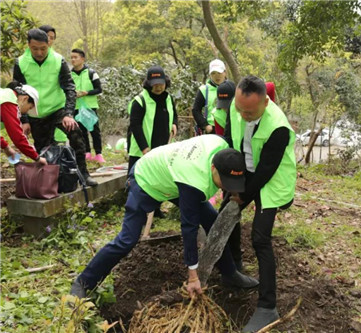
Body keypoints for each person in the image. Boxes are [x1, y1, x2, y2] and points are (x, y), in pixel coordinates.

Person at [70, 135, 259, 298]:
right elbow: (189, 228)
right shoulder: (194, 180)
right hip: (146, 179)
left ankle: (229, 273)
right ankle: (83, 282)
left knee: (212, 221)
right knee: (127, 239)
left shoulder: (222, 147)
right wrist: (192, 276)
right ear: (212, 168)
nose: (226, 187)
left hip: (173, 175)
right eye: (225, 182)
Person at [223, 75, 297, 332]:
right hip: (245, 171)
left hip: (272, 179)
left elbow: (266, 170)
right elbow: (231, 142)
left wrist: (243, 193)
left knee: (260, 237)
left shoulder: (278, 127)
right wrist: (233, 184)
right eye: (240, 109)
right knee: (226, 215)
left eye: (250, 112)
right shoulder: (238, 107)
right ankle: (233, 269)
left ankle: (267, 306)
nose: (243, 115)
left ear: (265, 102)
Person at [13, 28, 97, 186]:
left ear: (49, 44)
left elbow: (69, 87)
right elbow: (18, 93)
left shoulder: (59, 60)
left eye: (43, 48)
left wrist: (69, 114)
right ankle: (51, 181)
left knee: (76, 134)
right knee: (43, 150)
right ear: (28, 45)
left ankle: (83, 174)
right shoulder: (21, 62)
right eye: (35, 48)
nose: (39, 52)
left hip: (58, 110)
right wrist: (24, 119)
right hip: (35, 113)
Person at [127, 65, 178, 172]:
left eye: (161, 84)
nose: (158, 87)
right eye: (155, 84)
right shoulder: (140, 101)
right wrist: (144, 148)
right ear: (148, 84)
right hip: (142, 152)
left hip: (163, 149)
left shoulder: (168, 98)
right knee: (136, 183)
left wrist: (174, 124)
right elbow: (135, 126)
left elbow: (174, 114)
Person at [70, 48, 104, 163]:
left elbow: (99, 89)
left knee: (94, 130)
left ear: (82, 59)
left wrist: (87, 93)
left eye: (75, 57)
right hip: (76, 107)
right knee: (81, 131)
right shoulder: (69, 75)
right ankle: (87, 152)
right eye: (71, 57)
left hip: (90, 106)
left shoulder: (91, 73)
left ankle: (99, 153)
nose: (73, 60)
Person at [0, 82, 47, 165]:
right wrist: (37, 158)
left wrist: (6, 147)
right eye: (29, 108)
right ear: (25, 98)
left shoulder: (5, 96)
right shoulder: (9, 102)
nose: (26, 112)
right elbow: (17, 137)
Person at [39, 24, 67, 144]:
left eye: (52, 37)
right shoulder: (25, 60)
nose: (50, 40)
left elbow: (66, 84)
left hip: (56, 108)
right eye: (47, 36)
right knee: (43, 144)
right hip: (38, 111)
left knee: (61, 143)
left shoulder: (58, 59)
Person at [191, 59, 227, 135]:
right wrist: (205, 125)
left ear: (225, 73)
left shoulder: (231, 88)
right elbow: (195, 110)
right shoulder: (204, 90)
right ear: (210, 75)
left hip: (227, 128)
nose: (217, 76)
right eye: (213, 73)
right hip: (212, 129)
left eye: (219, 73)